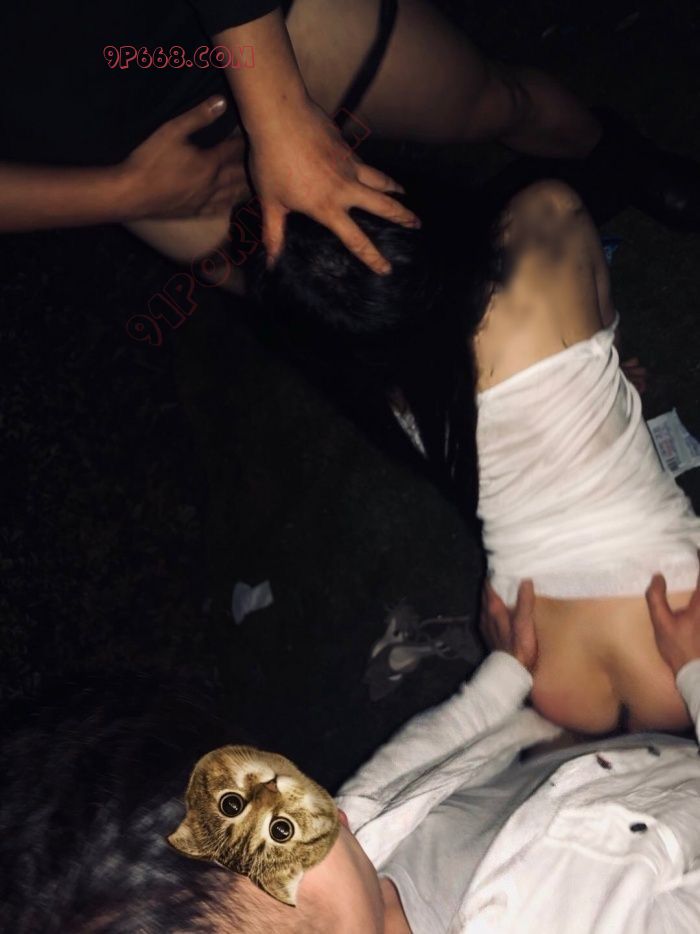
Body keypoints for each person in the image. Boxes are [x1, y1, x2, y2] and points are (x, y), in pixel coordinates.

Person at [3, 569, 700, 933]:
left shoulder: (347, 846)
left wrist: (507, 673)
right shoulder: (610, 916)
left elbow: (421, 755)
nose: (333, 804)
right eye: (288, 829)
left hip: (594, 765)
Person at [251, 175, 700, 735]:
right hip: (677, 621)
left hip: (542, 659)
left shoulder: (381, 388)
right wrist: (592, 367)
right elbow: (599, 312)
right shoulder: (545, 214)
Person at [2, 1, 700, 282]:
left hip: (235, 24)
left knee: (491, 101)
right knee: (357, 318)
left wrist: (278, 117)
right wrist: (126, 192)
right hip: (122, 160)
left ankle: (623, 157)